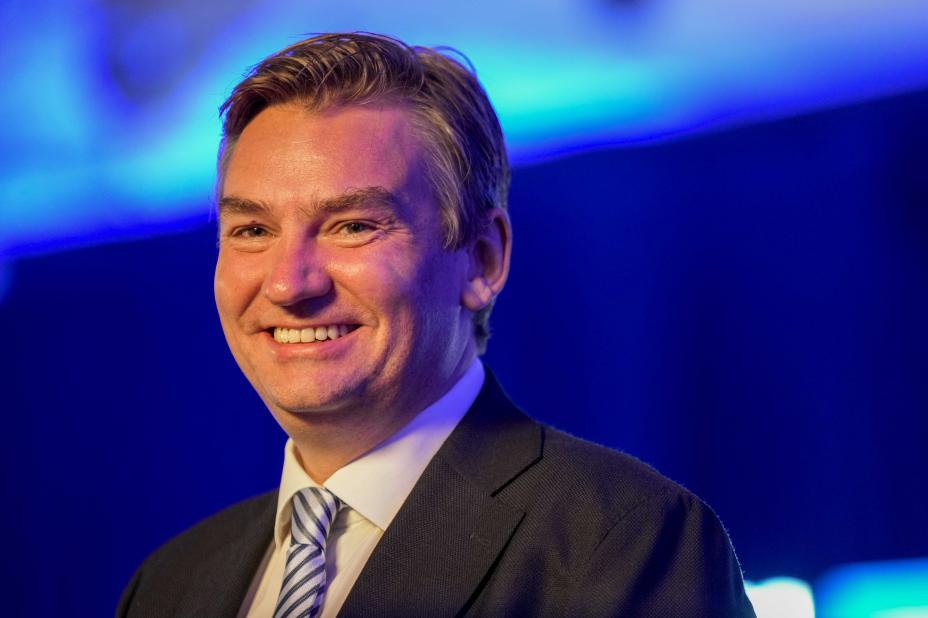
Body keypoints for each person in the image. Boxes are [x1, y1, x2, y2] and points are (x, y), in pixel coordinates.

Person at [118, 33, 756, 617]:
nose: (289, 284)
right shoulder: (170, 587)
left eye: (353, 226)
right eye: (252, 230)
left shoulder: (623, 540)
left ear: (482, 259)